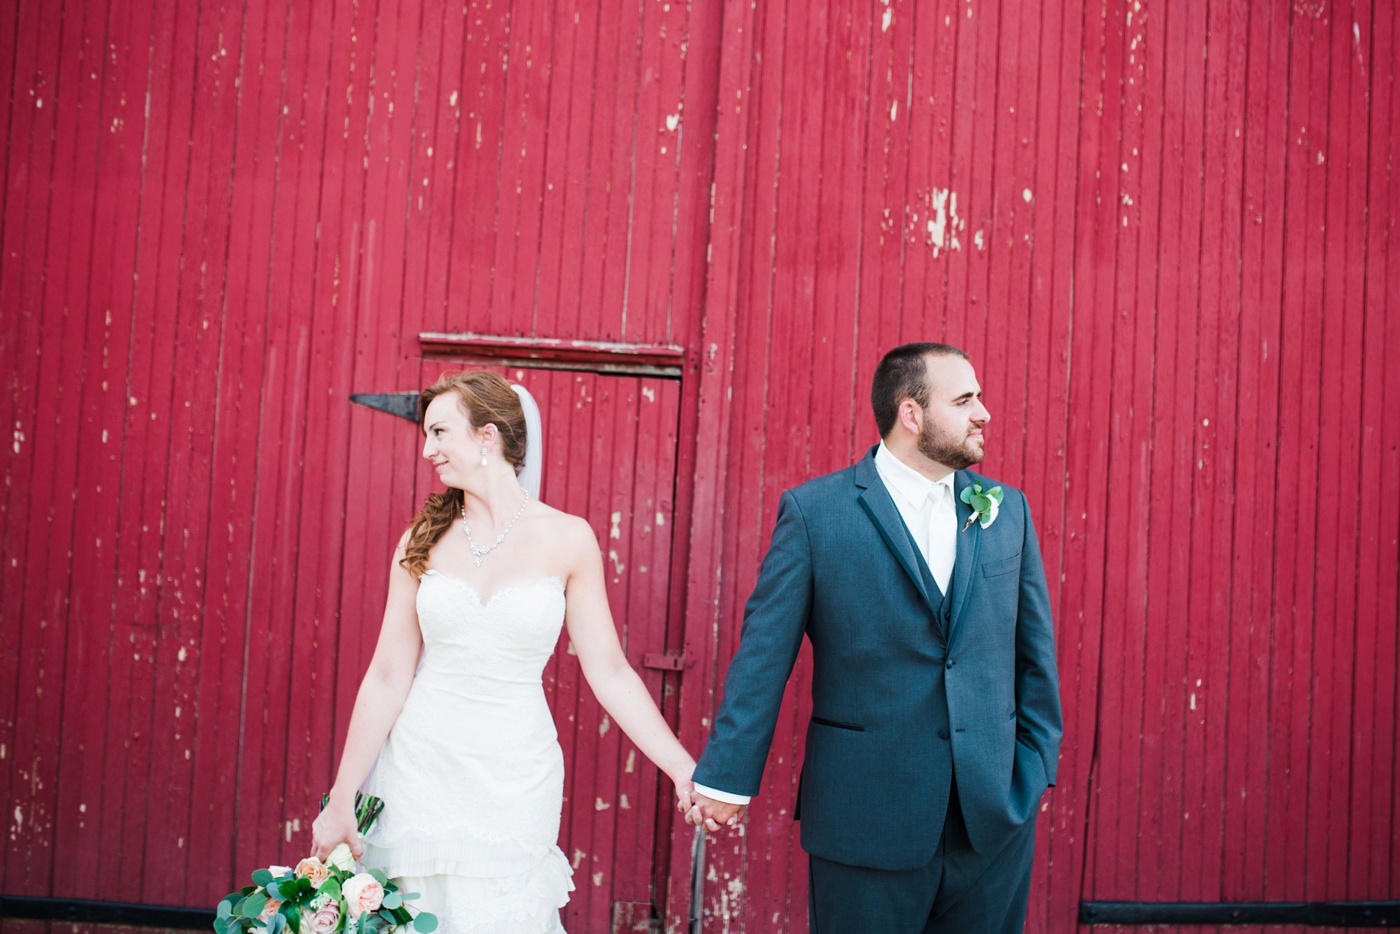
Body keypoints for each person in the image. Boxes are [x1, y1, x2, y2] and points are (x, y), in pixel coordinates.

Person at [686, 342, 1063, 933]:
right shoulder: (816, 514)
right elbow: (764, 655)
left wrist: (1036, 765)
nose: (983, 413)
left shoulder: (1005, 510)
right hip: (867, 815)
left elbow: (1033, 652)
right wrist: (725, 776)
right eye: (964, 400)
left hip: (993, 818)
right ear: (911, 415)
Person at [311, 371, 696, 934]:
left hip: (517, 774)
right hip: (419, 769)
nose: (428, 449)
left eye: (440, 432)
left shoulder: (569, 539)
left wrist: (682, 767)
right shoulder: (421, 539)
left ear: (487, 437)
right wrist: (342, 797)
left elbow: (610, 672)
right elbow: (388, 676)